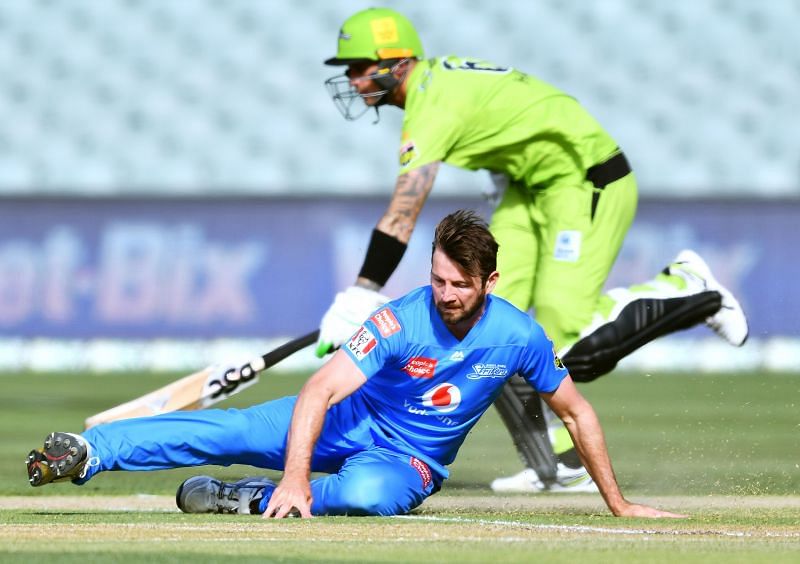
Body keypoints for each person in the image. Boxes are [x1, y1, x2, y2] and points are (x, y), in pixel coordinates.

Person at [315, 7, 749, 494]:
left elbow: (403, 212)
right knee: (486, 322)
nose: (352, 82)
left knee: (566, 344)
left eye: (357, 68)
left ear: (396, 60)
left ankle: (691, 288)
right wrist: (507, 173)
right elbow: (517, 114)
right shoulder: (437, 86)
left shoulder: (430, 102)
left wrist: (361, 293)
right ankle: (557, 465)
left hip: (582, 178)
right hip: (530, 186)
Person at [26, 210, 684, 520]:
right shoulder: (400, 318)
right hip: (342, 421)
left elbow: (577, 410)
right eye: (438, 280)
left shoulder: (519, 336)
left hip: (408, 464)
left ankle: (241, 500)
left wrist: (619, 504)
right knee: (226, 431)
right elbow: (318, 391)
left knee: (370, 498)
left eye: (461, 285)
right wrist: (294, 476)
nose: (446, 295)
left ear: (490, 280)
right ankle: (89, 452)